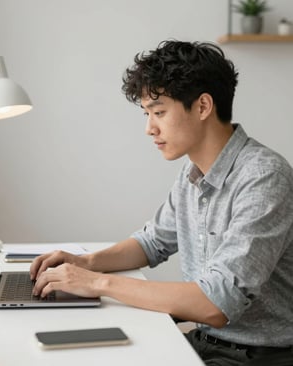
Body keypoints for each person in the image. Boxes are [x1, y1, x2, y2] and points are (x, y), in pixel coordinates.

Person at [30, 40, 293, 365]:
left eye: (158, 112)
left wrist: (97, 283)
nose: (149, 128)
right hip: (204, 343)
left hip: (258, 357)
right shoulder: (193, 172)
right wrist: (85, 263)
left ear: (202, 107)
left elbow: (216, 303)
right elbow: (153, 242)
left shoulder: (264, 177)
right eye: (147, 114)